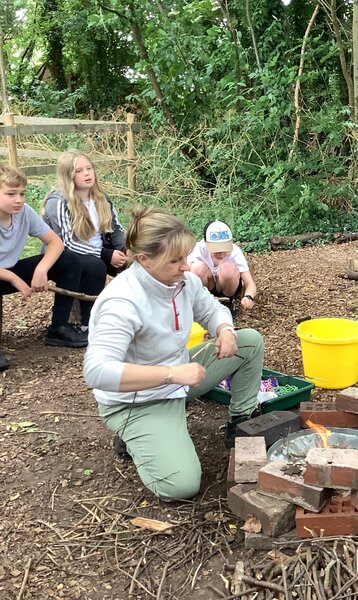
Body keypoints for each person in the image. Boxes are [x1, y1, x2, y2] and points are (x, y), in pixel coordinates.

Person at [83, 207, 264, 501]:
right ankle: (135, 435)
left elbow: (212, 309)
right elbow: (97, 372)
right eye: (175, 260)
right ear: (144, 260)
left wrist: (225, 330)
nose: (186, 266)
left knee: (249, 341)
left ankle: (240, 421)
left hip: (179, 377)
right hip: (138, 400)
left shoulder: (182, 281)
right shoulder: (122, 301)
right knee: (181, 486)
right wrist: (171, 374)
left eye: (186, 256)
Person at [0, 165, 88, 369]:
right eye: (11, 194)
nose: (18, 199)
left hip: (9, 269)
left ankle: (59, 328)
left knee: (68, 260)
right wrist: (14, 279)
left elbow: (56, 243)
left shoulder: (24, 212)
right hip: (4, 274)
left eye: (22, 193)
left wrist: (41, 269)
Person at [42, 150, 127, 330]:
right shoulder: (58, 201)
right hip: (65, 255)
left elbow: (116, 228)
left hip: (99, 248)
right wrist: (105, 254)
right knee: (96, 266)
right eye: (79, 171)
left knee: (136, 259)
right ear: (68, 175)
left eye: (89, 168)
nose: (87, 173)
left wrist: (124, 249)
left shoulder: (101, 197)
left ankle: (127, 313)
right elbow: (65, 242)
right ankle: (87, 323)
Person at [188, 220, 257, 312]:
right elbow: (184, 275)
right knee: (197, 268)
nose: (220, 254)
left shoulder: (235, 251)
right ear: (205, 243)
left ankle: (227, 301)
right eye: (216, 250)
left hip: (228, 288)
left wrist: (248, 297)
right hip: (206, 287)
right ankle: (202, 300)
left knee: (227, 268)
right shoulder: (198, 250)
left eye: (224, 249)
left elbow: (250, 283)